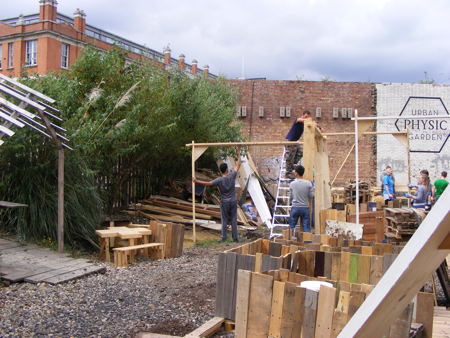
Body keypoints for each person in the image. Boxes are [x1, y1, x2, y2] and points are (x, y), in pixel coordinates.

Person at [193, 147, 241, 242]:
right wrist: (238, 151)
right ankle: (235, 238)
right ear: (227, 169)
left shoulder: (219, 180)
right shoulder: (232, 176)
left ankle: (223, 238)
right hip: (233, 201)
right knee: (234, 219)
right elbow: (238, 165)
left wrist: (196, 181)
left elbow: (208, 183)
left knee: (224, 219)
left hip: (224, 202)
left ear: (221, 171)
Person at [284, 110, 312, 179]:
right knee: (290, 156)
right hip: (290, 141)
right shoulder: (298, 120)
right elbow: (299, 119)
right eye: (305, 116)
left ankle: (292, 164)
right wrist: (307, 120)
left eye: (307, 117)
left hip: (295, 142)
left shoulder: (303, 125)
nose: (306, 118)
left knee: (301, 151)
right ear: (302, 115)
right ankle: (288, 173)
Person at [289, 165, 314, 235]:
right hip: (305, 208)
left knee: (291, 227)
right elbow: (311, 196)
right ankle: (307, 242)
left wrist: (289, 206)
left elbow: (290, 197)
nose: (294, 172)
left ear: (296, 173)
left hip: (295, 208)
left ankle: (290, 241)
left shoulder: (292, 184)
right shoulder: (308, 183)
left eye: (294, 171)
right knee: (306, 228)